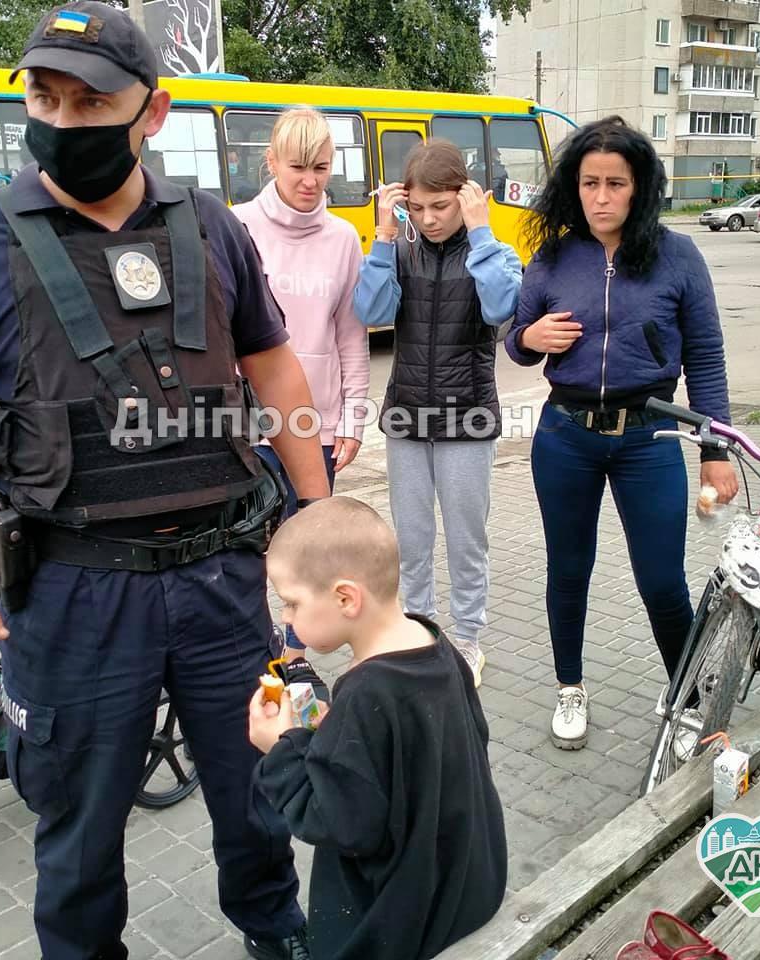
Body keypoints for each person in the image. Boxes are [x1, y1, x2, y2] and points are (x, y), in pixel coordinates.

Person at [0, 3, 330, 959]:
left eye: (92, 102)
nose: (62, 119)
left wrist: (318, 515)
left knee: (260, 790)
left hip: (226, 580)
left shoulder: (214, 229)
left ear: (154, 111)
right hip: (72, 590)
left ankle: (277, 932)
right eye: (44, 96)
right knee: (79, 834)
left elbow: (275, 369)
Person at [505, 116, 738, 754]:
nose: (600, 196)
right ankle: (570, 688)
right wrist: (529, 338)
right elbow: (515, 341)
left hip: (651, 437)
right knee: (568, 569)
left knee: (663, 579)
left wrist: (718, 450)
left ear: (639, 188)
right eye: (588, 183)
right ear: (573, 187)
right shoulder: (553, 255)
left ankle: (689, 700)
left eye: (615, 183)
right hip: (565, 437)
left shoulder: (676, 255)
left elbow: (707, 358)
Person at [248, 496, 507, 960]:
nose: (285, 618)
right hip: (465, 888)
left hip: (398, 923)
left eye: (290, 602)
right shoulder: (436, 644)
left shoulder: (366, 694)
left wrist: (281, 750)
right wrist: (331, 737)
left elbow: (341, 824)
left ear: (346, 597)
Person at [353, 139, 522, 687]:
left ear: (466, 199)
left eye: (440, 207)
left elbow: (501, 309)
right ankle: (419, 633)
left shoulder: (492, 252)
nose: (427, 219)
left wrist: (480, 232)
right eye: (416, 208)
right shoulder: (399, 251)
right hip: (405, 418)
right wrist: (382, 236)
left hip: (468, 421)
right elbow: (372, 312)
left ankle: (468, 639)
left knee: (466, 540)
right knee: (412, 539)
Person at [232, 107, 370, 661]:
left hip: (318, 428)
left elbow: (351, 337)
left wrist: (354, 416)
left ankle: (293, 661)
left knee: (308, 559)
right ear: (271, 163)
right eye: (298, 168)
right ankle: (248, 660)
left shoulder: (342, 239)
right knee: (247, 557)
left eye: (321, 167)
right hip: (245, 429)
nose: (311, 181)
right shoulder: (237, 226)